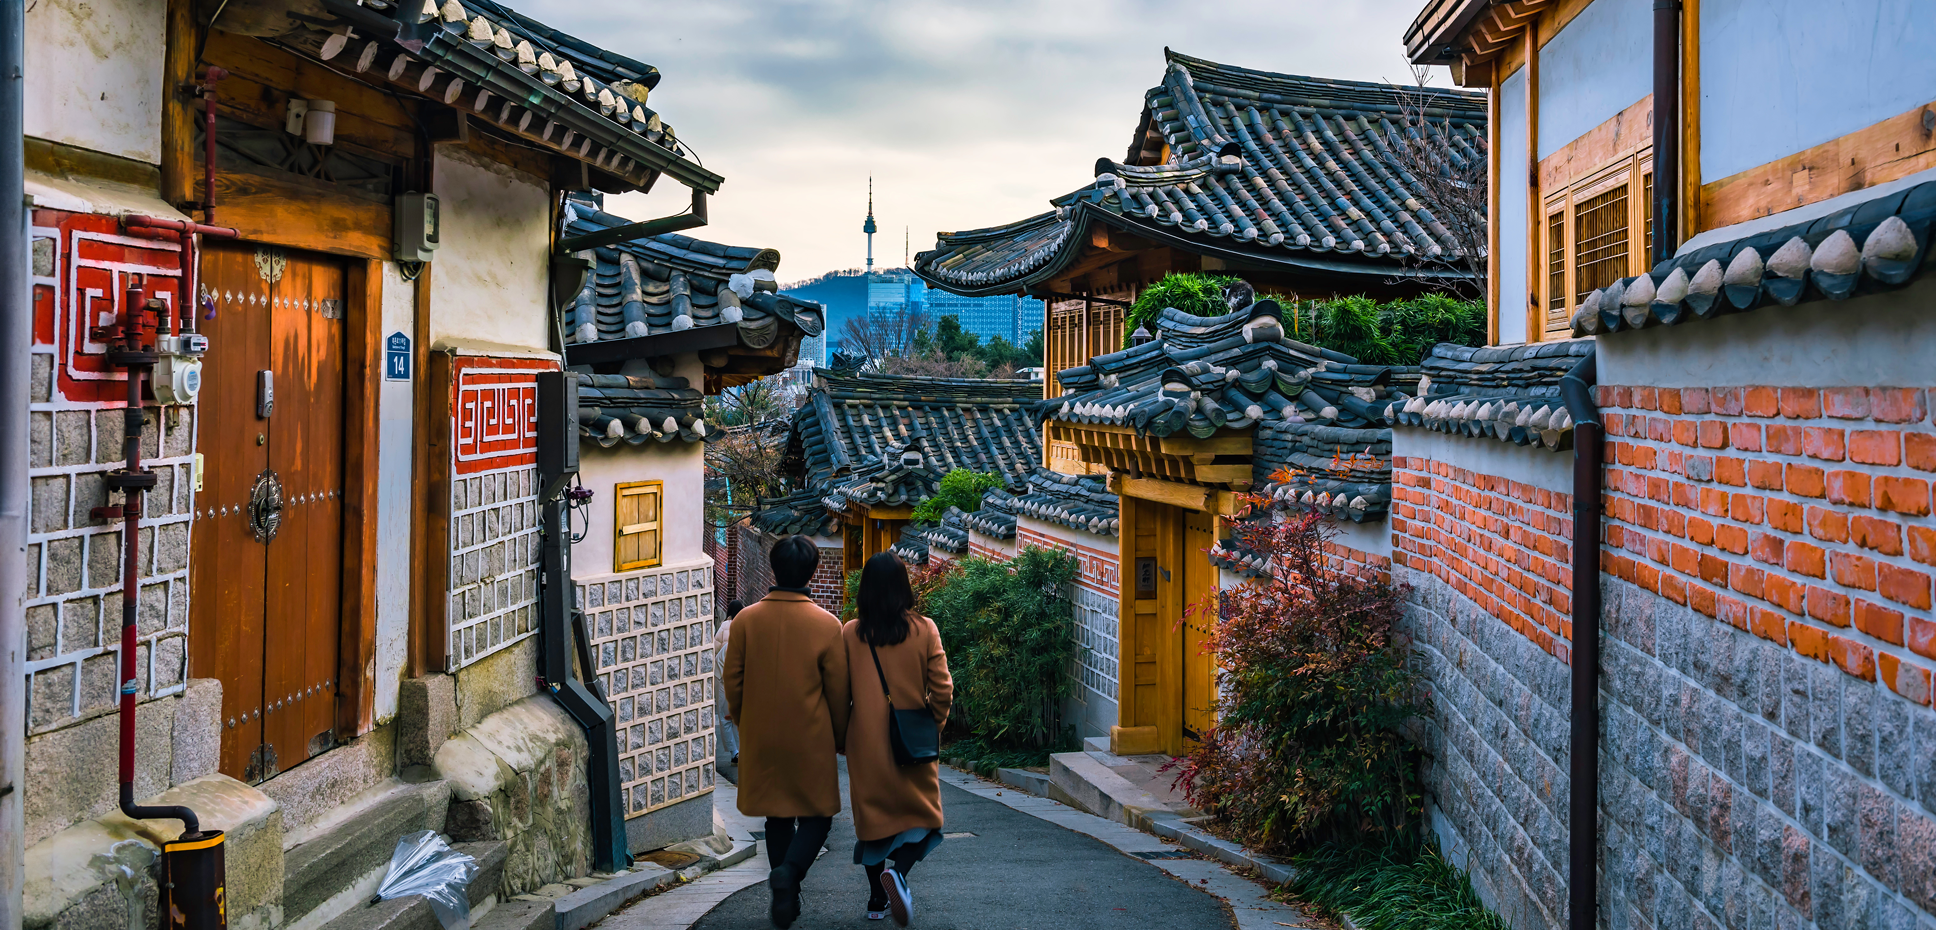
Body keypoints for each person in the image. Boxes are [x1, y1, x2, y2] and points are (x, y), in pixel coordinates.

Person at [721, 537, 851, 929]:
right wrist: (839, 737)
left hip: (761, 734)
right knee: (818, 816)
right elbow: (838, 692)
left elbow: (734, 682)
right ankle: (789, 876)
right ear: (812, 572)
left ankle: (784, 888)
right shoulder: (828, 626)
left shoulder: (746, 621)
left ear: (774, 569)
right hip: (811, 736)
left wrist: (747, 723)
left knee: (776, 817)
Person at [842, 552, 953, 926]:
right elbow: (942, 689)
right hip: (911, 745)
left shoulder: (851, 633)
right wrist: (933, 726)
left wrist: (844, 737)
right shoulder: (925, 630)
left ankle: (876, 897)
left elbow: (841, 693)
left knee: (873, 821)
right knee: (927, 817)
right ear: (904, 587)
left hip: (865, 743)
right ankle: (899, 873)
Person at [714, 599, 744, 771]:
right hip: (735, 672)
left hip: (723, 673)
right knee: (734, 717)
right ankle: (737, 751)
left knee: (725, 716)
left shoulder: (723, 626)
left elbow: (714, 650)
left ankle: (734, 752)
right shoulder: (744, 627)